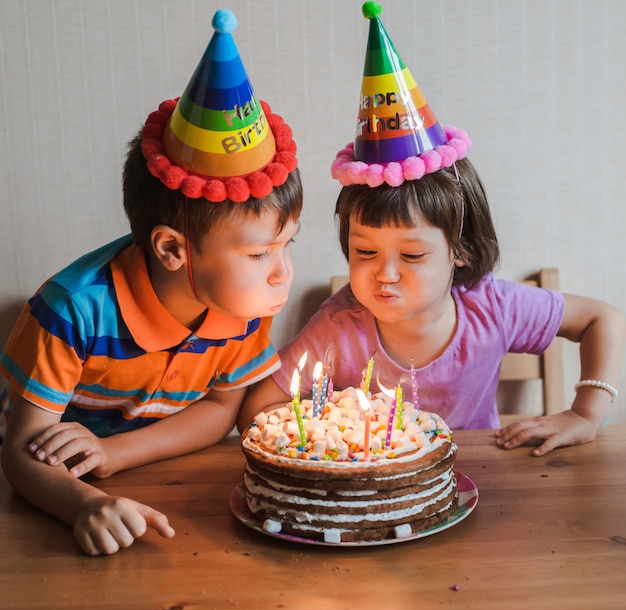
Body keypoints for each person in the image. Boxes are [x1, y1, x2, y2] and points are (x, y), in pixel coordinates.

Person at [238, 2, 626, 457]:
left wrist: (585, 412)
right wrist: (332, 434)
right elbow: (256, 411)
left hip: (484, 481)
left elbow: (602, 319)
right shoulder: (339, 328)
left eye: (412, 256)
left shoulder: (494, 308)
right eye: (365, 252)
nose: (385, 273)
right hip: (382, 499)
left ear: (459, 248)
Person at [0, 9, 302, 556]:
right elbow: (18, 453)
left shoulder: (245, 303)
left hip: (156, 481)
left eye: (288, 246)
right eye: (260, 253)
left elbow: (220, 411)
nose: (283, 273)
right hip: (51, 493)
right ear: (171, 249)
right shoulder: (72, 311)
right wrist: (83, 504)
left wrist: (116, 455)